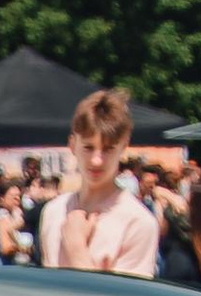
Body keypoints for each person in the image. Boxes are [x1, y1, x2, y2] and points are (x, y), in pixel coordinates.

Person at [40, 89, 161, 276]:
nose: (97, 160)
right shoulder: (53, 211)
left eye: (108, 149)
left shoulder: (138, 222)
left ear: (123, 146)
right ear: (72, 145)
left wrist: (76, 247)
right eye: (88, 147)